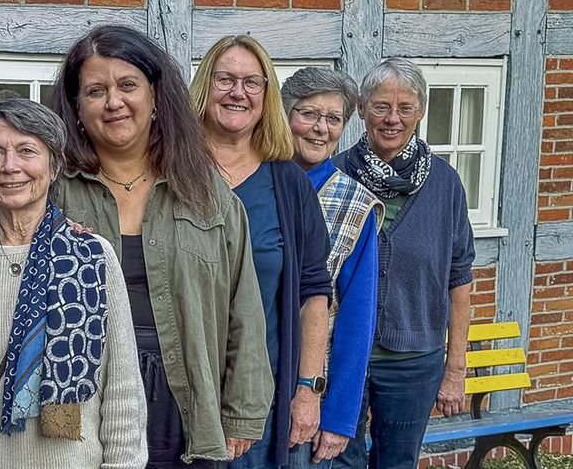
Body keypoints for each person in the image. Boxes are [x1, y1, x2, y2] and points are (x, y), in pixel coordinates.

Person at [50, 25, 271, 468]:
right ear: (76, 107)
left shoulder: (207, 193)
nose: (114, 102)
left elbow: (243, 307)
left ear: (154, 97)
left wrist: (242, 411)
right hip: (82, 395)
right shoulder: (52, 191)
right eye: (96, 90)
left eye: (128, 85)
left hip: (184, 394)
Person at [0, 98, 147, 468]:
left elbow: (122, 391)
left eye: (27, 151)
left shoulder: (92, 256)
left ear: (54, 167)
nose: (10, 166)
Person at [189, 35, 333, 469]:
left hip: (266, 398)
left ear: (266, 96)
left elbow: (314, 292)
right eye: (225, 79)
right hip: (182, 398)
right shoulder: (172, 173)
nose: (238, 92)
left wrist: (307, 388)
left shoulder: (288, 184)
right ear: (204, 87)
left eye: (253, 82)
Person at [332, 58, 475, 469]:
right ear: (361, 109)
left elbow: (459, 277)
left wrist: (455, 368)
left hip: (414, 362)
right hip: (343, 356)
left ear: (421, 112)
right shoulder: (336, 175)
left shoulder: (445, 184)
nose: (392, 119)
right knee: (337, 459)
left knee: (398, 463)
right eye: (380, 106)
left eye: (405, 108)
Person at [280, 67, 384, 467]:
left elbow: (357, 320)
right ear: (284, 115)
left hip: (312, 389)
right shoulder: (255, 180)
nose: (320, 129)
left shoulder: (356, 204)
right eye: (308, 114)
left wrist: (339, 417)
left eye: (333, 118)